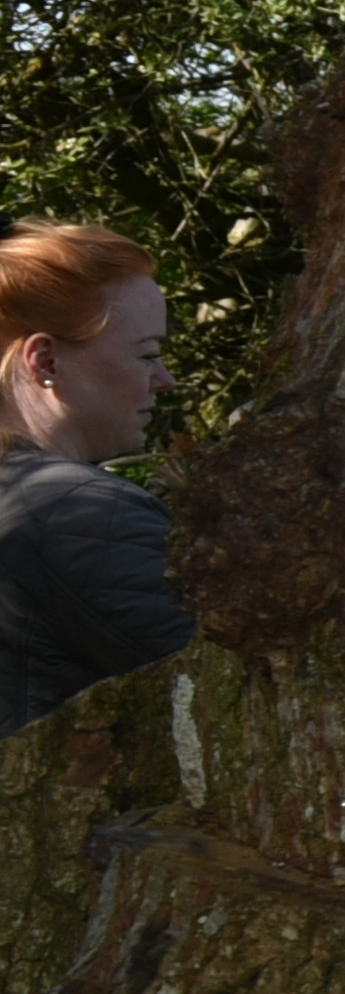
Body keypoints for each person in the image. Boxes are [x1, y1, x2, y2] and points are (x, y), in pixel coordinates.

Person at [0, 222, 186, 741]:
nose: (164, 379)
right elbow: (243, 692)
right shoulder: (74, 513)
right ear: (46, 360)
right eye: (147, 353)